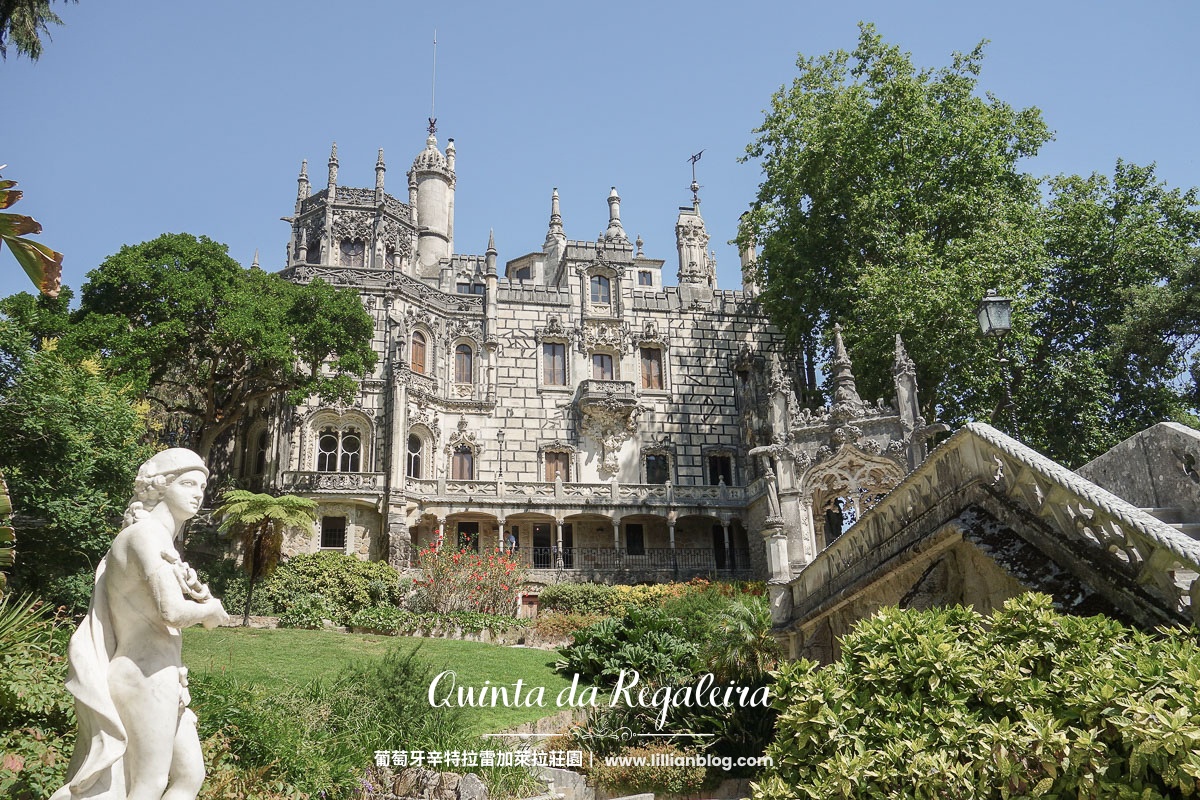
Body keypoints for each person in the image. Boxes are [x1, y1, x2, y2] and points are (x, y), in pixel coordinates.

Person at [52, 448, 229, 800]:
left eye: (202, 486)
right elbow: (172, 613)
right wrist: (211, 610)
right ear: (161, 487)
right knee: (148, 785)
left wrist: (199, 595)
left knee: (189, 774)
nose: (198, 493)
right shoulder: (145, 536)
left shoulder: (159, 540)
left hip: (164, 674)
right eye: (188, 483)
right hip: (145, 675)